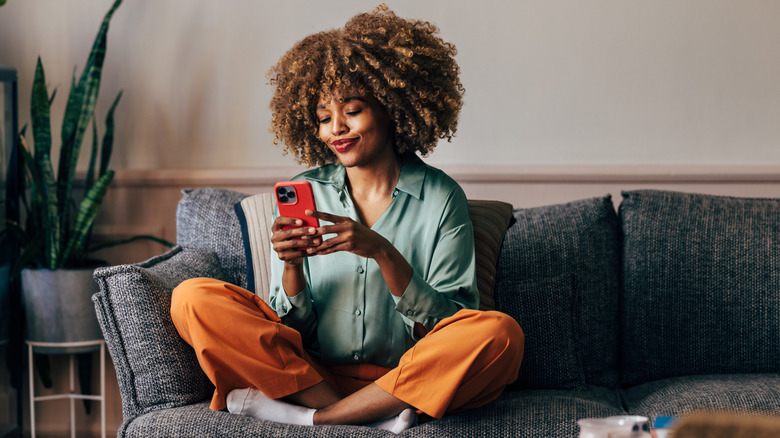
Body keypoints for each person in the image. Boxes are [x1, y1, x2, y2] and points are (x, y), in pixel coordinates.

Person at [170, 5, 524, 434]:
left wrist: (380, 251)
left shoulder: (441, 197)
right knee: (192, 297)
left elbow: (451, 324)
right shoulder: (307, 191)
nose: (335, 129)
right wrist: (291, 267)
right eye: (323, 118)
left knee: (499, 334)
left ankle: (322, 420)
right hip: (312, 376)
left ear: (392, 108)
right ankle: (365, 418)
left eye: (352, 111)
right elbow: (287, 332)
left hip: (405, 379)